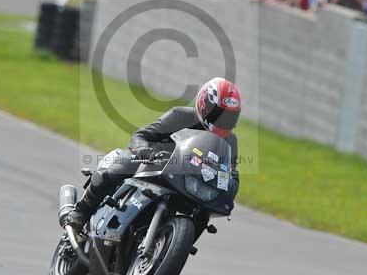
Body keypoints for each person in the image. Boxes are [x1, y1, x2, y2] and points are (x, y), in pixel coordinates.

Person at [62, 78, 242, 230]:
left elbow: (230, 172)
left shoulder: (229, 142)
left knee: (202, 216)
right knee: (120, 165)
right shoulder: (181, 116)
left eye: (230, 117)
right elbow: (140, 136)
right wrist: (145, 151)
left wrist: (230, 186)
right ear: (205, 104)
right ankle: (81, 211)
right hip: (153, 166)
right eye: (219, 114)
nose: (224, 121)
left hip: (187, 184)